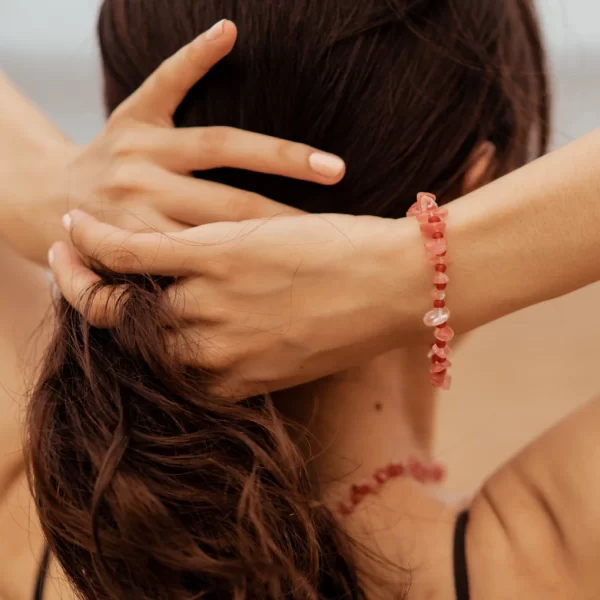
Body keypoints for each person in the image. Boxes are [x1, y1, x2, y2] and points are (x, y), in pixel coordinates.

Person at [0, 6, 599, 600]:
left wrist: (68, 193)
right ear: (480, 182)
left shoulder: (37, 542)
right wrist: (425, 262)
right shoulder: (554, 552)